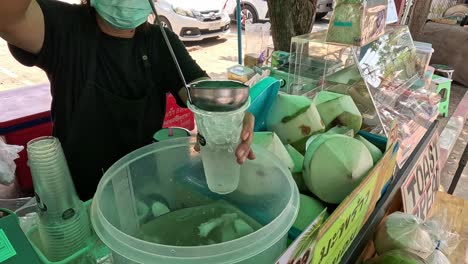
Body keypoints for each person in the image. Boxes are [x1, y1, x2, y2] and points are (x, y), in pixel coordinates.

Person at [0, 0, 255, 200]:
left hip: (145, 183)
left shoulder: (159, 41)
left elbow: (200, 91)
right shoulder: (62, 26)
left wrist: (231, 110)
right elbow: (8, 15)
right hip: (79, 192)